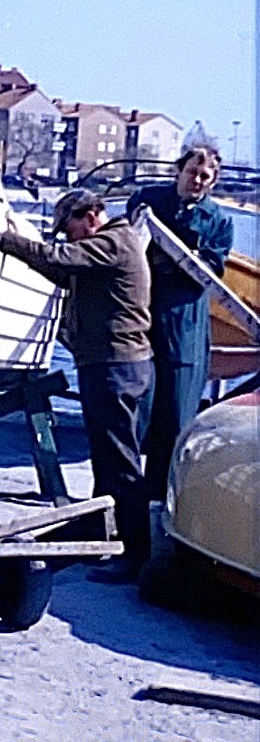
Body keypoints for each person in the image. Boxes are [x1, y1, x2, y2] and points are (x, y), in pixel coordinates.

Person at [0, 189, 152, 579]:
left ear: (90, 216)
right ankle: (101, 537)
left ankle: (135, 556)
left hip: (114, 367)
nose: (67, 236)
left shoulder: (114, 242)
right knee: (109, 460)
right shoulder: (112, 246)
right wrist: (19, 246)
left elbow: (59, 258)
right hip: (114, 364)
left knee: (120, 464)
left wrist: (3, 238)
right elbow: (61, 271)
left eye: (69, 228)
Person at [126, 144, 234, 501]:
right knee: (135, 409)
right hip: (143, 315)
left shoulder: (219, 221)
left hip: (185, 324)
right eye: (192, 172)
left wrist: (179, 260)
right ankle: (123, 495)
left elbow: (212, 269)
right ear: (179, 170)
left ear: (213, 181)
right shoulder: (148, 199)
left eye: (205, 176)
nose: (197, 180)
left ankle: (158, 497)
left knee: (176, 414)